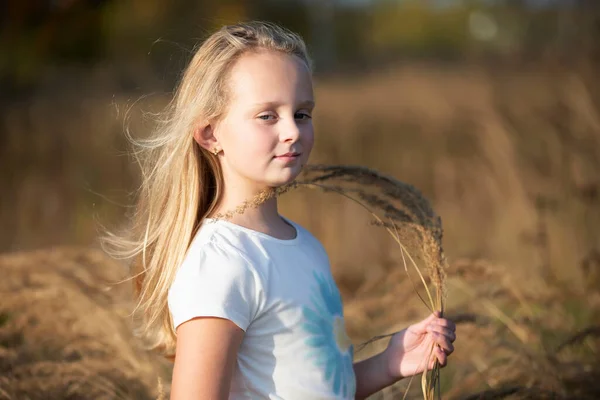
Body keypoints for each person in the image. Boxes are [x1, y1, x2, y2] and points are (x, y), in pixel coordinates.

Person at [110, 21, 456, 399]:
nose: (292, 130)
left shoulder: (305, 245)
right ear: (210, 134)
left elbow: (320, 388)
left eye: (302, 113)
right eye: (267, 116)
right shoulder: (222, 262)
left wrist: (390, 363)